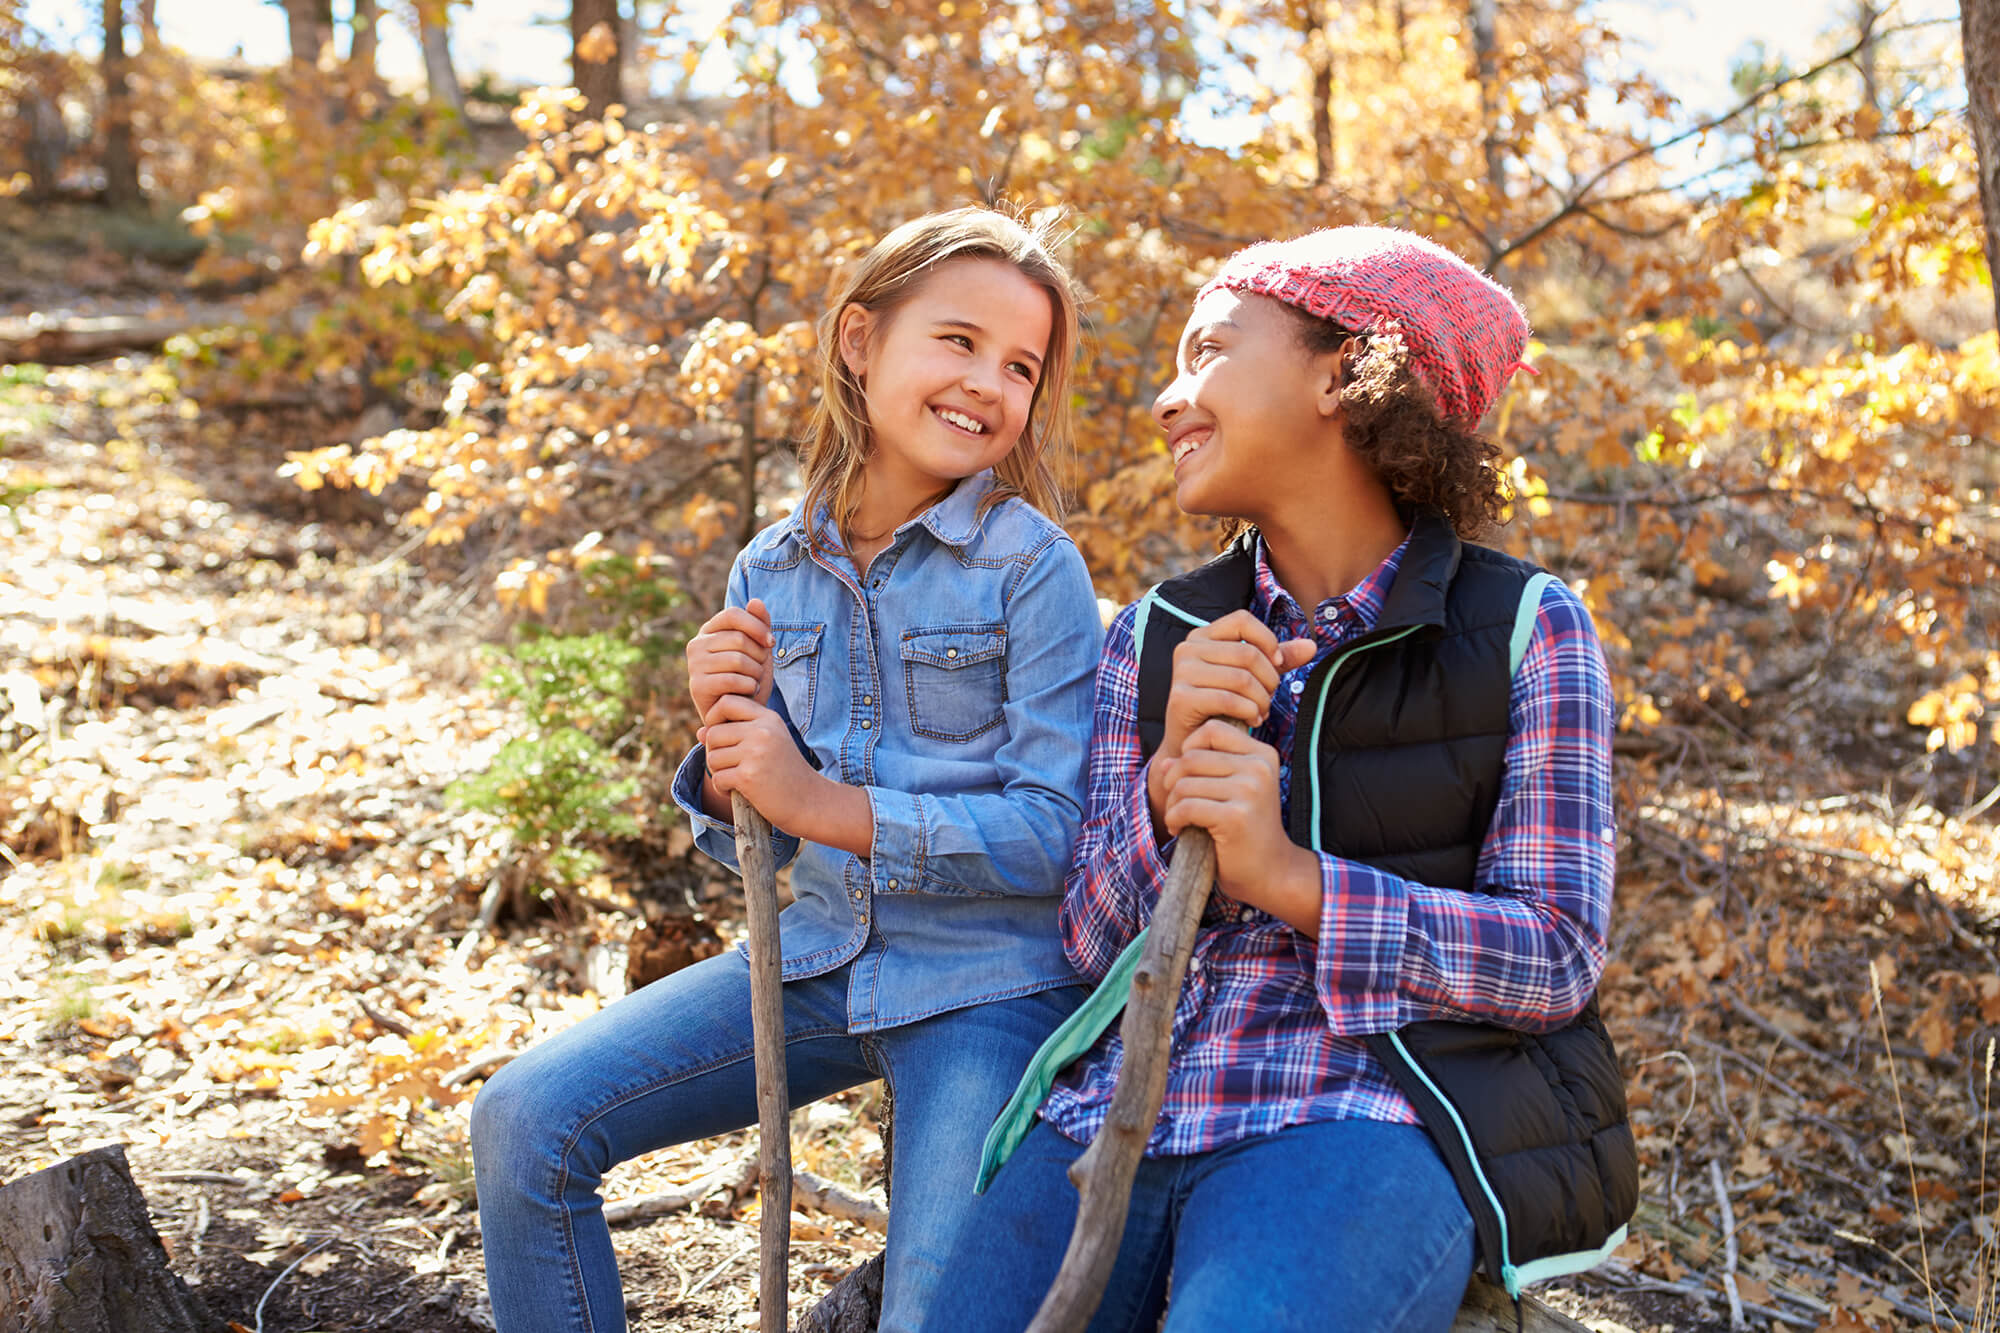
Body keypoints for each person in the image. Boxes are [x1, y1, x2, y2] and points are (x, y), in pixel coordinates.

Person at [924, 226, 1636, 1333]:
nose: (1167, 399)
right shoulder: (1157, 632)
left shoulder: (1524, 627)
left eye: (1208, 351)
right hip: (1119, 1108)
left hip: (1370, 1107)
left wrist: (1292, 879)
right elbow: (1087, 943)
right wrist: (1165, 800)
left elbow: (1552, 956)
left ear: (1341, 373)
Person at [470, 207, 1104, 1333]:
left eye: (1019, 365)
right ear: (859, 342)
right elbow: (753, 832)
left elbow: (1056, 831)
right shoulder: (770, 565)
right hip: (813, 959)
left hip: (988, 984)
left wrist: (825, 803)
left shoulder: (1032, 569)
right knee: (526, 1121)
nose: (988, 384)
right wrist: (724, 755)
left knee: (935, 1318)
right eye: (956, 341)